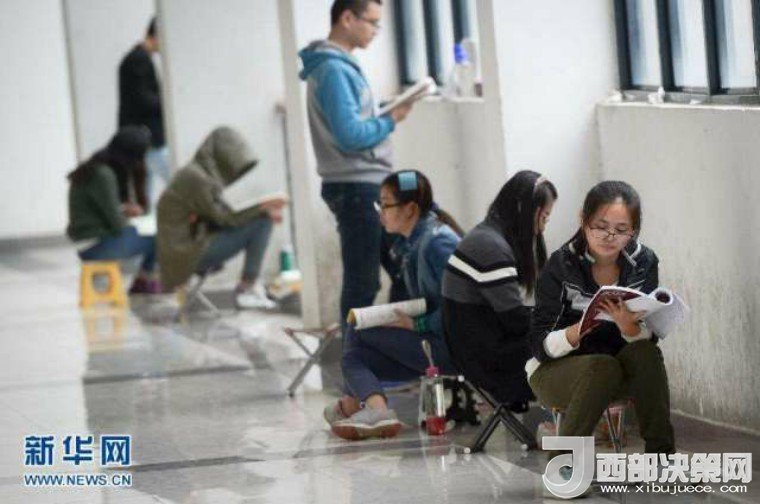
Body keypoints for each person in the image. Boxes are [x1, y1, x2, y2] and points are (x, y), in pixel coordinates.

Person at [527, 181, 675, 465]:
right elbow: (538, 346)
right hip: (556, 373)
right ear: (583, 220)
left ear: (634, 230)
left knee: (646, 352)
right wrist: (576, 332)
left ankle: (661, 460)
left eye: (621, 230)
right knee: (602, 366)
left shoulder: (643, 262)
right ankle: (564, 465)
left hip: (618, 371)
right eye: (600, 226)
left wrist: (629, 327)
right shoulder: (561, 266)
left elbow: (650, 334)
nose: (609, 236)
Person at [299, 0, 414, 326]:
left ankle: (392, 347)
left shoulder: (339, 65)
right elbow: (349, 135)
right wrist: (391, 119)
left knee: (404, 267)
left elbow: (352, 123)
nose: (377, 31)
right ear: (347, 18)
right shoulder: (333, 70)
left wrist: (383, 112)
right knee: (363, 283)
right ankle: (356, 355)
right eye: (372, 22)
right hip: (357, 187)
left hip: (367, 183)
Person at [324, 170, 462, 440]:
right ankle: (372, 409)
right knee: (356, 353)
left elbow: (459, 309)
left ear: (410, 209)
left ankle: (358, 407)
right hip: (436, 340)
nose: (380, 213)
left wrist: (417, 324)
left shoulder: (437, 243)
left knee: (356, 334)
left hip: (453, 348)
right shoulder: (414, 243)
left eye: (385, 204)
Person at [442, 171, 557, 410]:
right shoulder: (490, 247)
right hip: (486, 359)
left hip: (481, 347)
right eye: (545, 217)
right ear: (526, 210)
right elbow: (515, 321)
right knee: (574, 345)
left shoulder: (487, 235)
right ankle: (570, 423)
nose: (543, 228)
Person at [156, 126, 286, 308]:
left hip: (182, 252)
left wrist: (261, 209)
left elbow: (220, 215)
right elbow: (226, 219)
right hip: (187, 254)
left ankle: (248, 287)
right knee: (262, 223)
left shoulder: (194, 174)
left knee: (261, 218)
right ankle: (246, 288)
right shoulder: (197, 179)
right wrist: (263, 207)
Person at [67, 126, 160, 294]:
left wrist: (123, 209)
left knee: (148, 233)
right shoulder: (103, 174)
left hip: (86, 241)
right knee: (158, 238)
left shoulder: (95, 168)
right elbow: (117, 224)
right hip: (95, 246)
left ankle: (142, 280)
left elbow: (100, 209)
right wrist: (131, 216)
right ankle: (144, 280)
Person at [118, 16, 169, 210]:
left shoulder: (137, 58)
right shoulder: (138, 60)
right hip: (149, 138)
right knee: (176, 181)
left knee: (144, 193)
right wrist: (168, 102)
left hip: (143, 139)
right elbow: (143, 100)